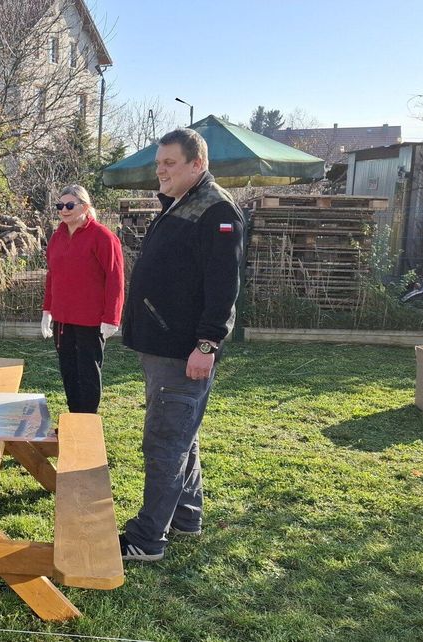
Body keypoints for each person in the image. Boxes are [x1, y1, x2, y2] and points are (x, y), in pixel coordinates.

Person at [118, 128, 245, 562]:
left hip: (183, 350)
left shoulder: (216, 210)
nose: (161, 170)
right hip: (165, 345)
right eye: (159, 163)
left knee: (165, 442)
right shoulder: (182, 202)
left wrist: (207, 344)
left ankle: (147, 538)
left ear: (197, 164)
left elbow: (223, 286)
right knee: (182, 435)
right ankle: (187, 517)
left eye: (169, 163)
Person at [40, 184, 124, 414]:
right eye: (60, 205)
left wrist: (112, 317)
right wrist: (47, 310)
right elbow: (52, 276)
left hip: (90, 320)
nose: (64, 210)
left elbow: (115, 278)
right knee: (69, 371)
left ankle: (87, 421)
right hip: (63, 319)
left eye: (69, 205)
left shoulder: (102, 237)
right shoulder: (57, 237)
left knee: (88, 373)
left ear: (85, 207)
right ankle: (74, 418)